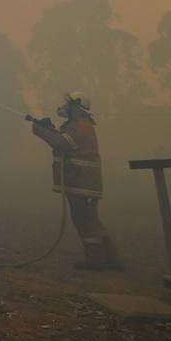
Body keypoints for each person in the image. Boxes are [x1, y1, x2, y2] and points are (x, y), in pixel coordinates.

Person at [30, 92, 123, 271]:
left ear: (76, 108)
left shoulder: (80, 126)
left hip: (82, 183)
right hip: (81, 182)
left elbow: (62, 144)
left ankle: (97, 261)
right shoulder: (78, 126)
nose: (64, 107)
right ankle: (111, 260)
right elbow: (66, 141)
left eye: (68, 105)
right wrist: (50, 129)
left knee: (85, 222)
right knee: (91, 221)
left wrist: (41, 131)